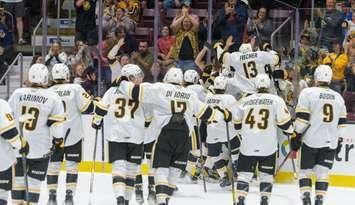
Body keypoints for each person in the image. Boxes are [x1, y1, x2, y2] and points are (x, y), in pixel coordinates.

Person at [108, 67, 226, 205]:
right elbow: (207, 113)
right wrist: (224, 115)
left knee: (161, 170)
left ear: (167, 79)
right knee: (174, 172)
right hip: (184, 137)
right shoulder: (191, 94)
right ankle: (164, 201)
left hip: (165, 134)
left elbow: (135, 92)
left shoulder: (160, 88)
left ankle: (161, 201)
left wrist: (122, 82)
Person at [231, 74, 293, 205]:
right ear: (269, 86)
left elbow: (236, 123)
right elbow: (286, 124)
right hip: (268, 146)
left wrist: (243, 134)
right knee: (266, 176)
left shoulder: (245, 100)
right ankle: (264, 200)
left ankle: (241, 199)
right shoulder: (276, 100)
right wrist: (293, 132)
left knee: (244, 176)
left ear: (256, 85)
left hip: (248, 144)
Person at [91, 64, 150, 205]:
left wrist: (96, 122)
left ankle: (120, 198)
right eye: (138, 75)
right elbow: (148, 118)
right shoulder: (143, 92)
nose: (141, 78)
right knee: (130, 171)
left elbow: (100, 108)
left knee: (119, 168)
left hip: (116, 135)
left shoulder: (112, 91)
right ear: (130, 77)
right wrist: (145, 123)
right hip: (136, 137)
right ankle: (126, 201)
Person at [8, 63, 65, 205]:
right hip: (40, 149)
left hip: (18, 147)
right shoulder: (52, 97)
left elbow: (7, 118)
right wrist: (57, 142)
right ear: (46, 78)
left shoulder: (17, 93)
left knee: (18, 182)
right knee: (34, 185)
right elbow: (57, 125)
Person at [291, 65, 347, 205]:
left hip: (311, 140)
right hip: (330, 141)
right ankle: (319, 199)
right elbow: (342, 124)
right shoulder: (338, 97)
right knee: (322, 173)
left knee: (305, 172)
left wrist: (296, 135)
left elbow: (302, 118)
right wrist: (339, 140)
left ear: (316, 77)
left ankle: (306, 198)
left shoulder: (308, 92)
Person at [46, 63, 94, 205]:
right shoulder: (75, 88)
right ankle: (69, 196)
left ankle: (52, 196)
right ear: (67, 75)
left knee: (53, 165)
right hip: (73, 134)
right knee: (72, 166)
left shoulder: (48, 91)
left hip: (53, 136)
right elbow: (88, 108)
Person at [204, 76, 240, 188]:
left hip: (212, 131)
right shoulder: (229, 98)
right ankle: (236, 167)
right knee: (237, 147)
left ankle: (224, 177)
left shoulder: (208, 98)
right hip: (227, 130)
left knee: (214, 155)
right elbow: (236, 116)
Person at [215, 42, 282, 95]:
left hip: (245, 93)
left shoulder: (236, 57)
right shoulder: (260, 54)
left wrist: (218, 47)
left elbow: (222, 57)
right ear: (251, 49)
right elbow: (277, 59)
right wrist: (270, 50)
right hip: (261, 89)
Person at [0, 99, 28, 205]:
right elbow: (9, 132)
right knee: (1, 193)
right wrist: (21, 144)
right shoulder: (1, 104)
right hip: (2, 160)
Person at [170, 5, 199, 71]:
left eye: (188, 22)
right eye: (185, 21)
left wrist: (187, 15)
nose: (186, 23)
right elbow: (173, 26)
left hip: (191, 62)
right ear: (182, 23)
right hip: (178, 61)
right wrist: (183, 15)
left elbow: (197, 24)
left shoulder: (193, 31)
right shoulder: (178, 31)